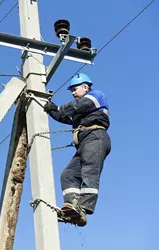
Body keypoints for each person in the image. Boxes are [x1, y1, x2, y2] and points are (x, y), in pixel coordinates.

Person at [43, 73, 111, 227]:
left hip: (95, 137)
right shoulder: (81, 109)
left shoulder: (96, 96)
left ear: (85, 87)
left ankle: (84, 207)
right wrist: (50, 108)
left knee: (89, 170)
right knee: (68, 174)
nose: (73, 92)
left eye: (75, 89)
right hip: (84, 143)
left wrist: (58, 107)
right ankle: (72, 209)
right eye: (72, 90)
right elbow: (64, 116)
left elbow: (78, 106)